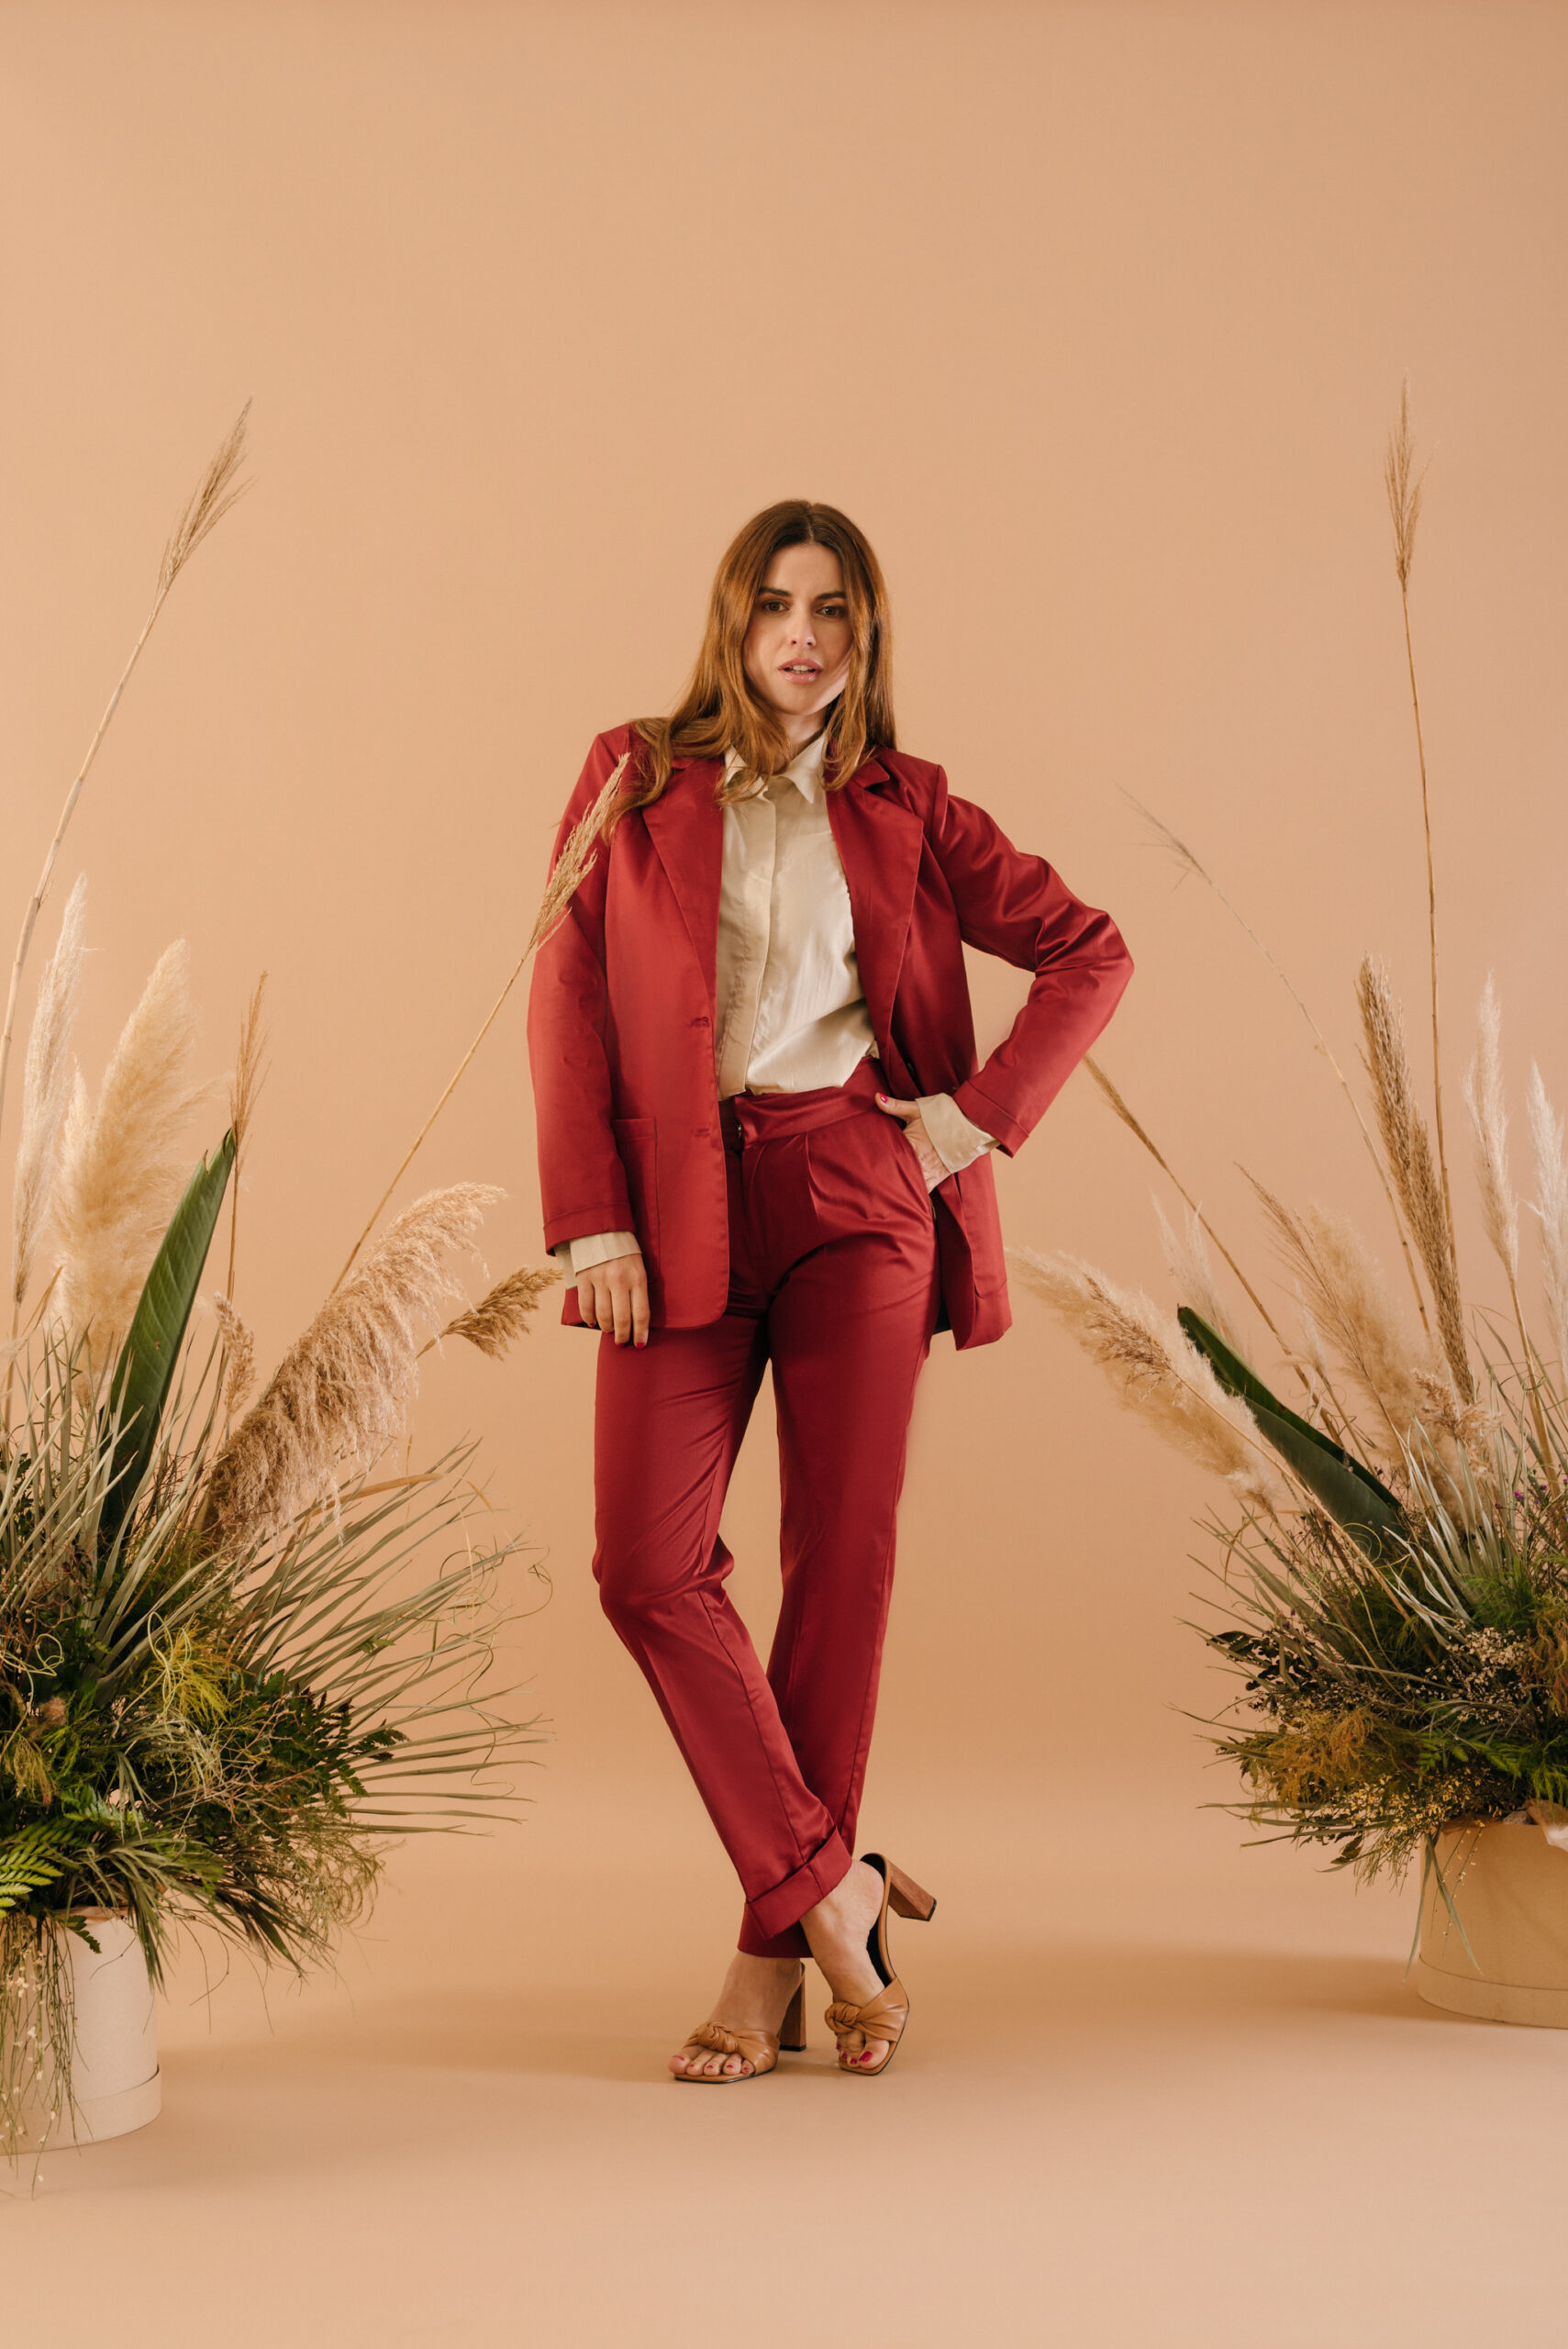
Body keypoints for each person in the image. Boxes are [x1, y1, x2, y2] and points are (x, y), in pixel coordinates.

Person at [527, 500, 1132, 2081]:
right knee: (645, 1568)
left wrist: (970, 1119)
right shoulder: (630, 775)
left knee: (838, 1567)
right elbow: (565, 992)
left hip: (857, 1193)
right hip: (675, 1206)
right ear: (730, 622)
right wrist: (593, 1224)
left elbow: (1089, 951)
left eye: (833, 610)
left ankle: (766, 1966)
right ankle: (832, 1888)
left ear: (866, 634)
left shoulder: (908, 804)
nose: (802, 637)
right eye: (775, 605)